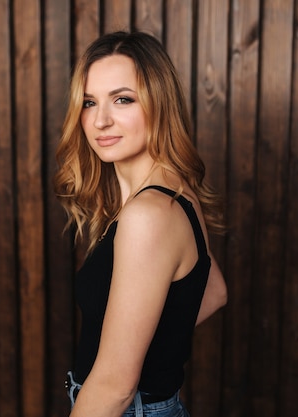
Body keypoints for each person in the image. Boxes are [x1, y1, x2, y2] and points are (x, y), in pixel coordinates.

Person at [53, 31, 228, 417]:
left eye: (122, 99)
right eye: (89, 102)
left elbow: (115, 387)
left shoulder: (148, 215)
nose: (100, 120)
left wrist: (124, 367)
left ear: (159, 105)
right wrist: (144, 344)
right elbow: (213, 290)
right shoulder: (176, 194)